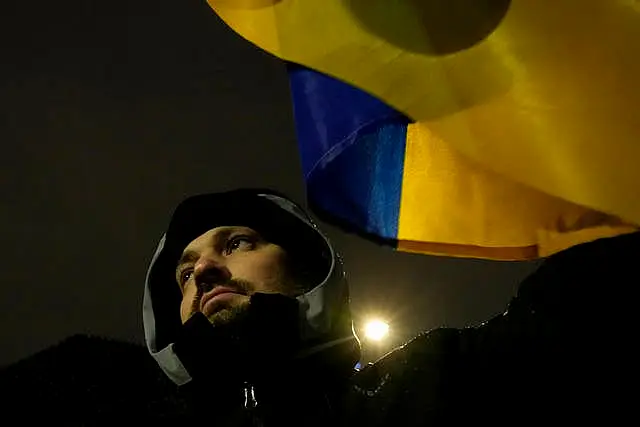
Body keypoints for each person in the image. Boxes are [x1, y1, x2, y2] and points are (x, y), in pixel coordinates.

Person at [143, 188, 637, 425]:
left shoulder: (435, 385)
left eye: (238, 244)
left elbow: (583, 311)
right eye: (185, 273)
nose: (204, 271)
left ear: (308, 271)